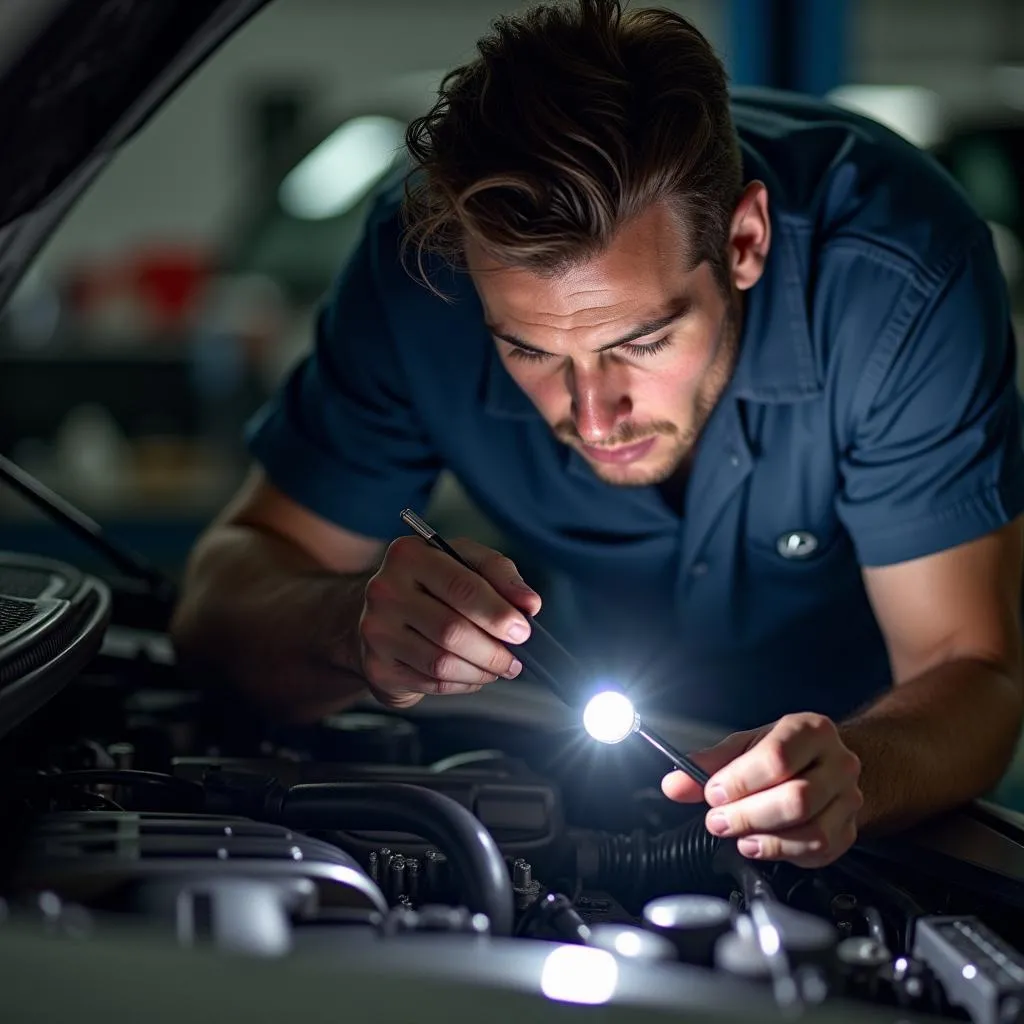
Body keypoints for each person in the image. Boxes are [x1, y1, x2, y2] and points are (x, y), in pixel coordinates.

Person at [171, 0, 1024, 868]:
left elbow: (975, 671)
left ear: (744, 241)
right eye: (528, 350)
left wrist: (857, 774)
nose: (590, 414)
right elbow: (218, 600)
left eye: (642, 342)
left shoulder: (897, 276)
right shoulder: (417, 276)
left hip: (881, 804)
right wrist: (349, 629)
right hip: (585, 784)